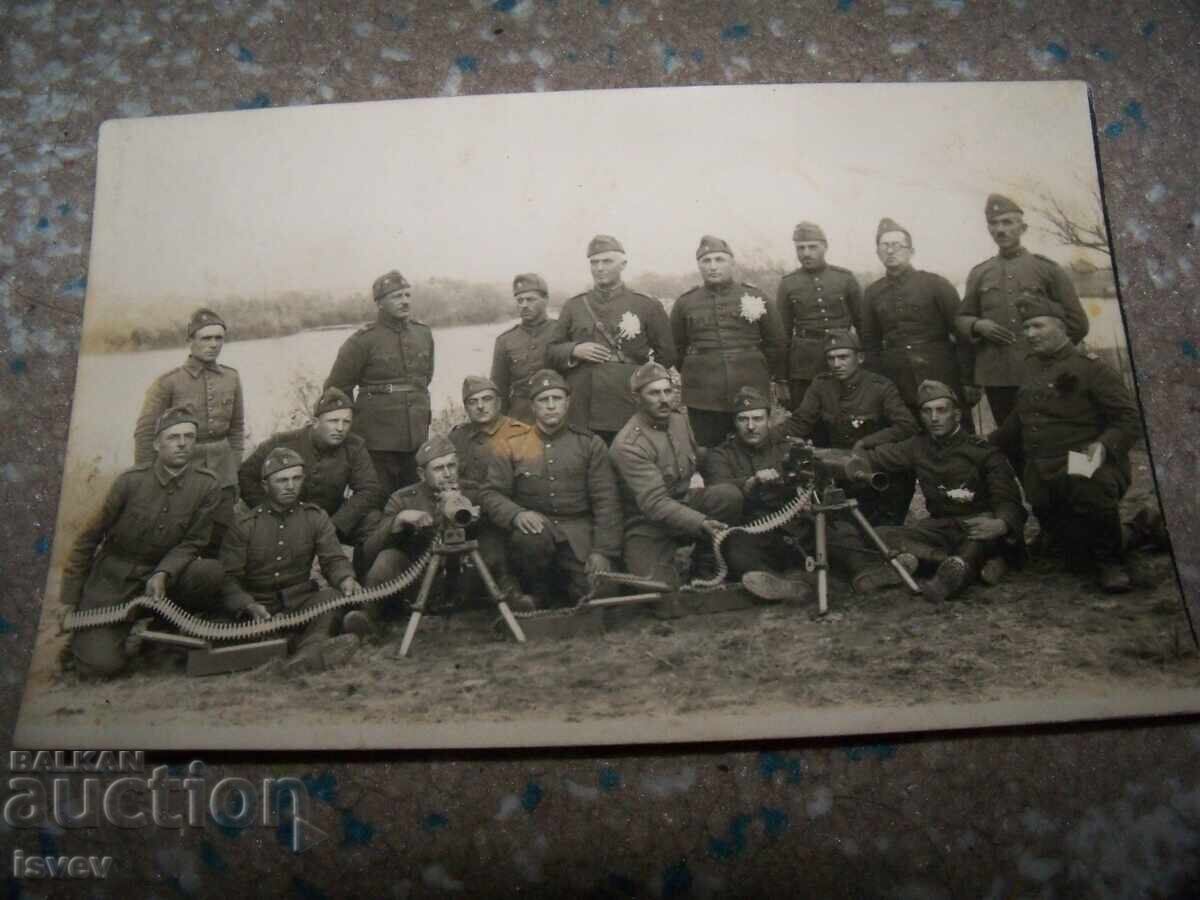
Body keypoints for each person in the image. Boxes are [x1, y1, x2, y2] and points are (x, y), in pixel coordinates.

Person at [989, 295, 1142, 592]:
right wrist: (982, 444)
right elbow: (1019, 419)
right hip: (1043, 473)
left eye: (1037, 326)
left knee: (1087, 485)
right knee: (1071, 553)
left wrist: (1104, 446)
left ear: (1061, 328)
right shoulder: (1031, 367)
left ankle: (1111, 562)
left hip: (1083, 462)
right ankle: (1137, 529)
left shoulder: (1091, 368)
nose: (1029, 334)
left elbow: (1129, 418)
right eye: (1025, 327)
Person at [60, 405, 225, 678]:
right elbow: (88, 539)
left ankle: (163, 629)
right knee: (101, 667)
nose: (182, 444)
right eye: (173, 437)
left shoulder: (207, 485)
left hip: (161, 576)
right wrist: (69, 597)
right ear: (157, 443)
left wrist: (163, 572)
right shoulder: (130, 482)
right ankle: (87, 638)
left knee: (209, 572)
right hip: (114, 579)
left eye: (189, 437)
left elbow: (194, 541)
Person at [856, 380, 1026, 601]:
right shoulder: (917, 446)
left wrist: (1001, 523)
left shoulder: (983, 452)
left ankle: (942, 574)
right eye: (927, 411)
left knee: (977, 540)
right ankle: (954, 564)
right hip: (941, 528)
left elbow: (1009, 500)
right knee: (878, 535)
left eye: (941, 410)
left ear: (956, 414)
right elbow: (873, 459)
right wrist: (829, 457)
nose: (934, 418)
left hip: (979, 525)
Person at [349, 436, 527, 637]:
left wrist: (476, 516)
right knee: (387, 559)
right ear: (421, 474)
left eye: (451, 465)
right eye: (438, 468)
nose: (448, 474)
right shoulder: (403, 499)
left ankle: (514, 602)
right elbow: (369, 550)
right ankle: (368, 617)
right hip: (420, 586)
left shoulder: (475, 491)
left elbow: (499, 523)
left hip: (468, 581)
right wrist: (398, 521)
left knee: (492, 542)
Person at [481, 370, 623, 607]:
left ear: (567, 403)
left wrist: (602, 551)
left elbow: (606, 500)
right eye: (543, 400)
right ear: (533, 407)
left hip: (579, 534)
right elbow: (491, 493)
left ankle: (569, 587)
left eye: (556, 399)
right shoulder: (512, 445)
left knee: (604, 595)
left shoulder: (589, 444)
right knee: (531, 540)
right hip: (536, 534)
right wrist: (517, 514)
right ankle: (538, 593)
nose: (550, 406)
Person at [219, 448, 364, 673]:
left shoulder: (315, 517)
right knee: (221, 625)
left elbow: (333, 559)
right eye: (282, 480)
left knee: (331, 599)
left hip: (300, 603)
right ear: (265, 485)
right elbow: (228, 579)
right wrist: (248, 605)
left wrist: (345, 578)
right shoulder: (245, 525)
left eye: (296, 478)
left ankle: (306, 656)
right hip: (259, 609)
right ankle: (305, 647)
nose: (290, 486)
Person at [958, 193, 1090, 436]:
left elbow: (1077, 322)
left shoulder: (1047, 269)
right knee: (1011, 441)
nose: (1001, 230)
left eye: (1007, 222)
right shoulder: (979, 273)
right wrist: (978, 325)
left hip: (1043, 372)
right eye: (994, 224)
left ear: (1023, 227)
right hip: (998, 376)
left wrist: (1054, 356)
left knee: (1051, 436)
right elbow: (962, 318)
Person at [609, 362, 743, 589]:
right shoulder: (629, 444)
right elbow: (654, 503)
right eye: (654, 393)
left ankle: (704, 564)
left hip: (683, 504)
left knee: (727, 496)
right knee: (661, 592)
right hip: (646, 523)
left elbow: (700, 458)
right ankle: (644, 560)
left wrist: (734, 480)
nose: (663, 399)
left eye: (667, 391)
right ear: (637, 398)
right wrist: (700, 522)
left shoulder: (679, 420)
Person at [133, 308, 245, 556]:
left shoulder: (231, 378)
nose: (213, 345)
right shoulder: (169, 383)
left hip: (223, 475)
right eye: (206, 338)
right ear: (190, 341)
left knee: (221, 539)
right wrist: (148, 479)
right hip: (182, 472)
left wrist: (233, 469)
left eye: (219, 338)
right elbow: (144, 434)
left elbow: (236, 430)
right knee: (180, 539)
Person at [238, 387, 382, 576]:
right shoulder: (284, 442)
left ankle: (361, 584)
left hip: (330, 519)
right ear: (315, 422)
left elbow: (369, 489)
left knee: (372, 520)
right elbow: (246, 475)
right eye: (333, 421)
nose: (340, 428)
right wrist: (269, 510)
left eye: (346, 422)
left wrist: (335, 525)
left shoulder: (354, 446)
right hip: (284, 516)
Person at [547, 235, 676, 444]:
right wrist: (574, 350)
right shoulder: (575, 305)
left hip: (626, 399)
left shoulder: (646, 305)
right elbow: (551, 351)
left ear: (622, 264)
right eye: (594, 262)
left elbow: (667, 354)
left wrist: (645, 386)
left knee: (628, 459)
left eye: (606, 261)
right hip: (583, 401)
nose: (599, 268)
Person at [787, 329, 918, 524]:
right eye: (831, 358)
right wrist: (769, 436)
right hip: (837, 469)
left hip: (873, 467)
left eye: (843, 357)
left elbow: (907, 426)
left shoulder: (880, 386)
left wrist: (866, 442)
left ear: (860, 358)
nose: (836, 364)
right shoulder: (821, 385)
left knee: (882, 524)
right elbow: (800, 421)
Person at [325, 269, 434, 499]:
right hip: (376, 442)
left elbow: (425, 379)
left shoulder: (423, 334)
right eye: (397, 296)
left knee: (415, 500)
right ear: (380, 303)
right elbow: (337, 389)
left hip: (416, 436)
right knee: (378, 500)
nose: (405, 301)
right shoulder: (362, 340)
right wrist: (350, 431)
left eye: (407, 295)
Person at [669, 235, 786, 447]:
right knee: (709, 447)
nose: (712, 266)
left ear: (732, 263)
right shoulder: (685, 303)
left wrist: (756, 368)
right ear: (699, 265)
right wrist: (698, 370)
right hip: (703, 391)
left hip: (750, 382)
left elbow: (776, 342)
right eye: (706, 261)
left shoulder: (755, 296)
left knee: (755, 444)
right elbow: (676, 347)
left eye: (719, 259)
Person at [861, 218, 978, 426]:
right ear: (878, 252)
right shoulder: (872, 294)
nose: (890, 251)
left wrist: (969, 380)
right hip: (897, 379)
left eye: (897, 245)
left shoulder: (936, 285)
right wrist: (877, 386)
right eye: (884, 246)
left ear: (911, 251)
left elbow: (961, 334)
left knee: (953, 434)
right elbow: (871, 345)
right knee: (907, 436)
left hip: (941, 372)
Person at [701, 387, 811, 602]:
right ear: (734, 422)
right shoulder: (720, 455)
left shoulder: (788, 448)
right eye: (743, 419)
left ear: (769, 420)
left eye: (758, 419)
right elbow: (720, 488)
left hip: (796, 525)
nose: (751, 427)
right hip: (754, 530)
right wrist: (751, 482)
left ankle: (865, 569)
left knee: (837, 531)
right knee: (735, 551)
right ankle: (781, 584)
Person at [776, 221, 863, 410]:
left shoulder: (845, 279)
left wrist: (865, 361)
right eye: (800, 248)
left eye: (812, 247)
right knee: (808, 413)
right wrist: (782, 377)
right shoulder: (788, 284)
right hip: (805, 364)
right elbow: (782, 335)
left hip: (844, 358)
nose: (806, 253)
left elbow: (863, 324)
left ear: (825, 246)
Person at [491, 273, 556, 424]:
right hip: (520, 417)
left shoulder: (562, 331)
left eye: (530, 299)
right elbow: (499, 388)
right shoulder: (505, 340)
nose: (524, 305)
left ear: (545, 300)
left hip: (556, 414)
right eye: (520, 300)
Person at [448, 376, 531, 486]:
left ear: (498, 402)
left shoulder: (520, 433)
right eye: (473, 402)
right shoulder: (457, 437)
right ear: (466, 408)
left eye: (487, 399)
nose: (480, 406)